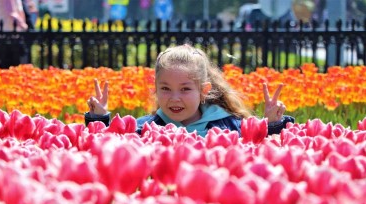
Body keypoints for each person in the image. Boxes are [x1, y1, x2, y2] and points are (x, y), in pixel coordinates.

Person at [85, 44, 294, 137]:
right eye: (165, 88)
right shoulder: (144, 128)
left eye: (185, 89)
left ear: (204, 91)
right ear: (155, 89)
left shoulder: (230, 127)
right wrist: (99, 120)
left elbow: (261, 149)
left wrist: (272, 125)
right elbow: (110, 145)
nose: (174, 98)